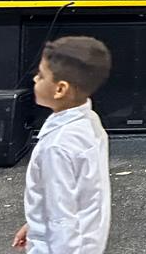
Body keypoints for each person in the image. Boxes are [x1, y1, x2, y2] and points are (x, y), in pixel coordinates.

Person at [12, 36, 112, 254]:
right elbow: (78, 193)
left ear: (60, 89)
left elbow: (61, 218)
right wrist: (35, 222)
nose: (35, 79)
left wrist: (42, 229)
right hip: (87, 241)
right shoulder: (90, 121)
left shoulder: (56, 147)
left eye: (41, 75)